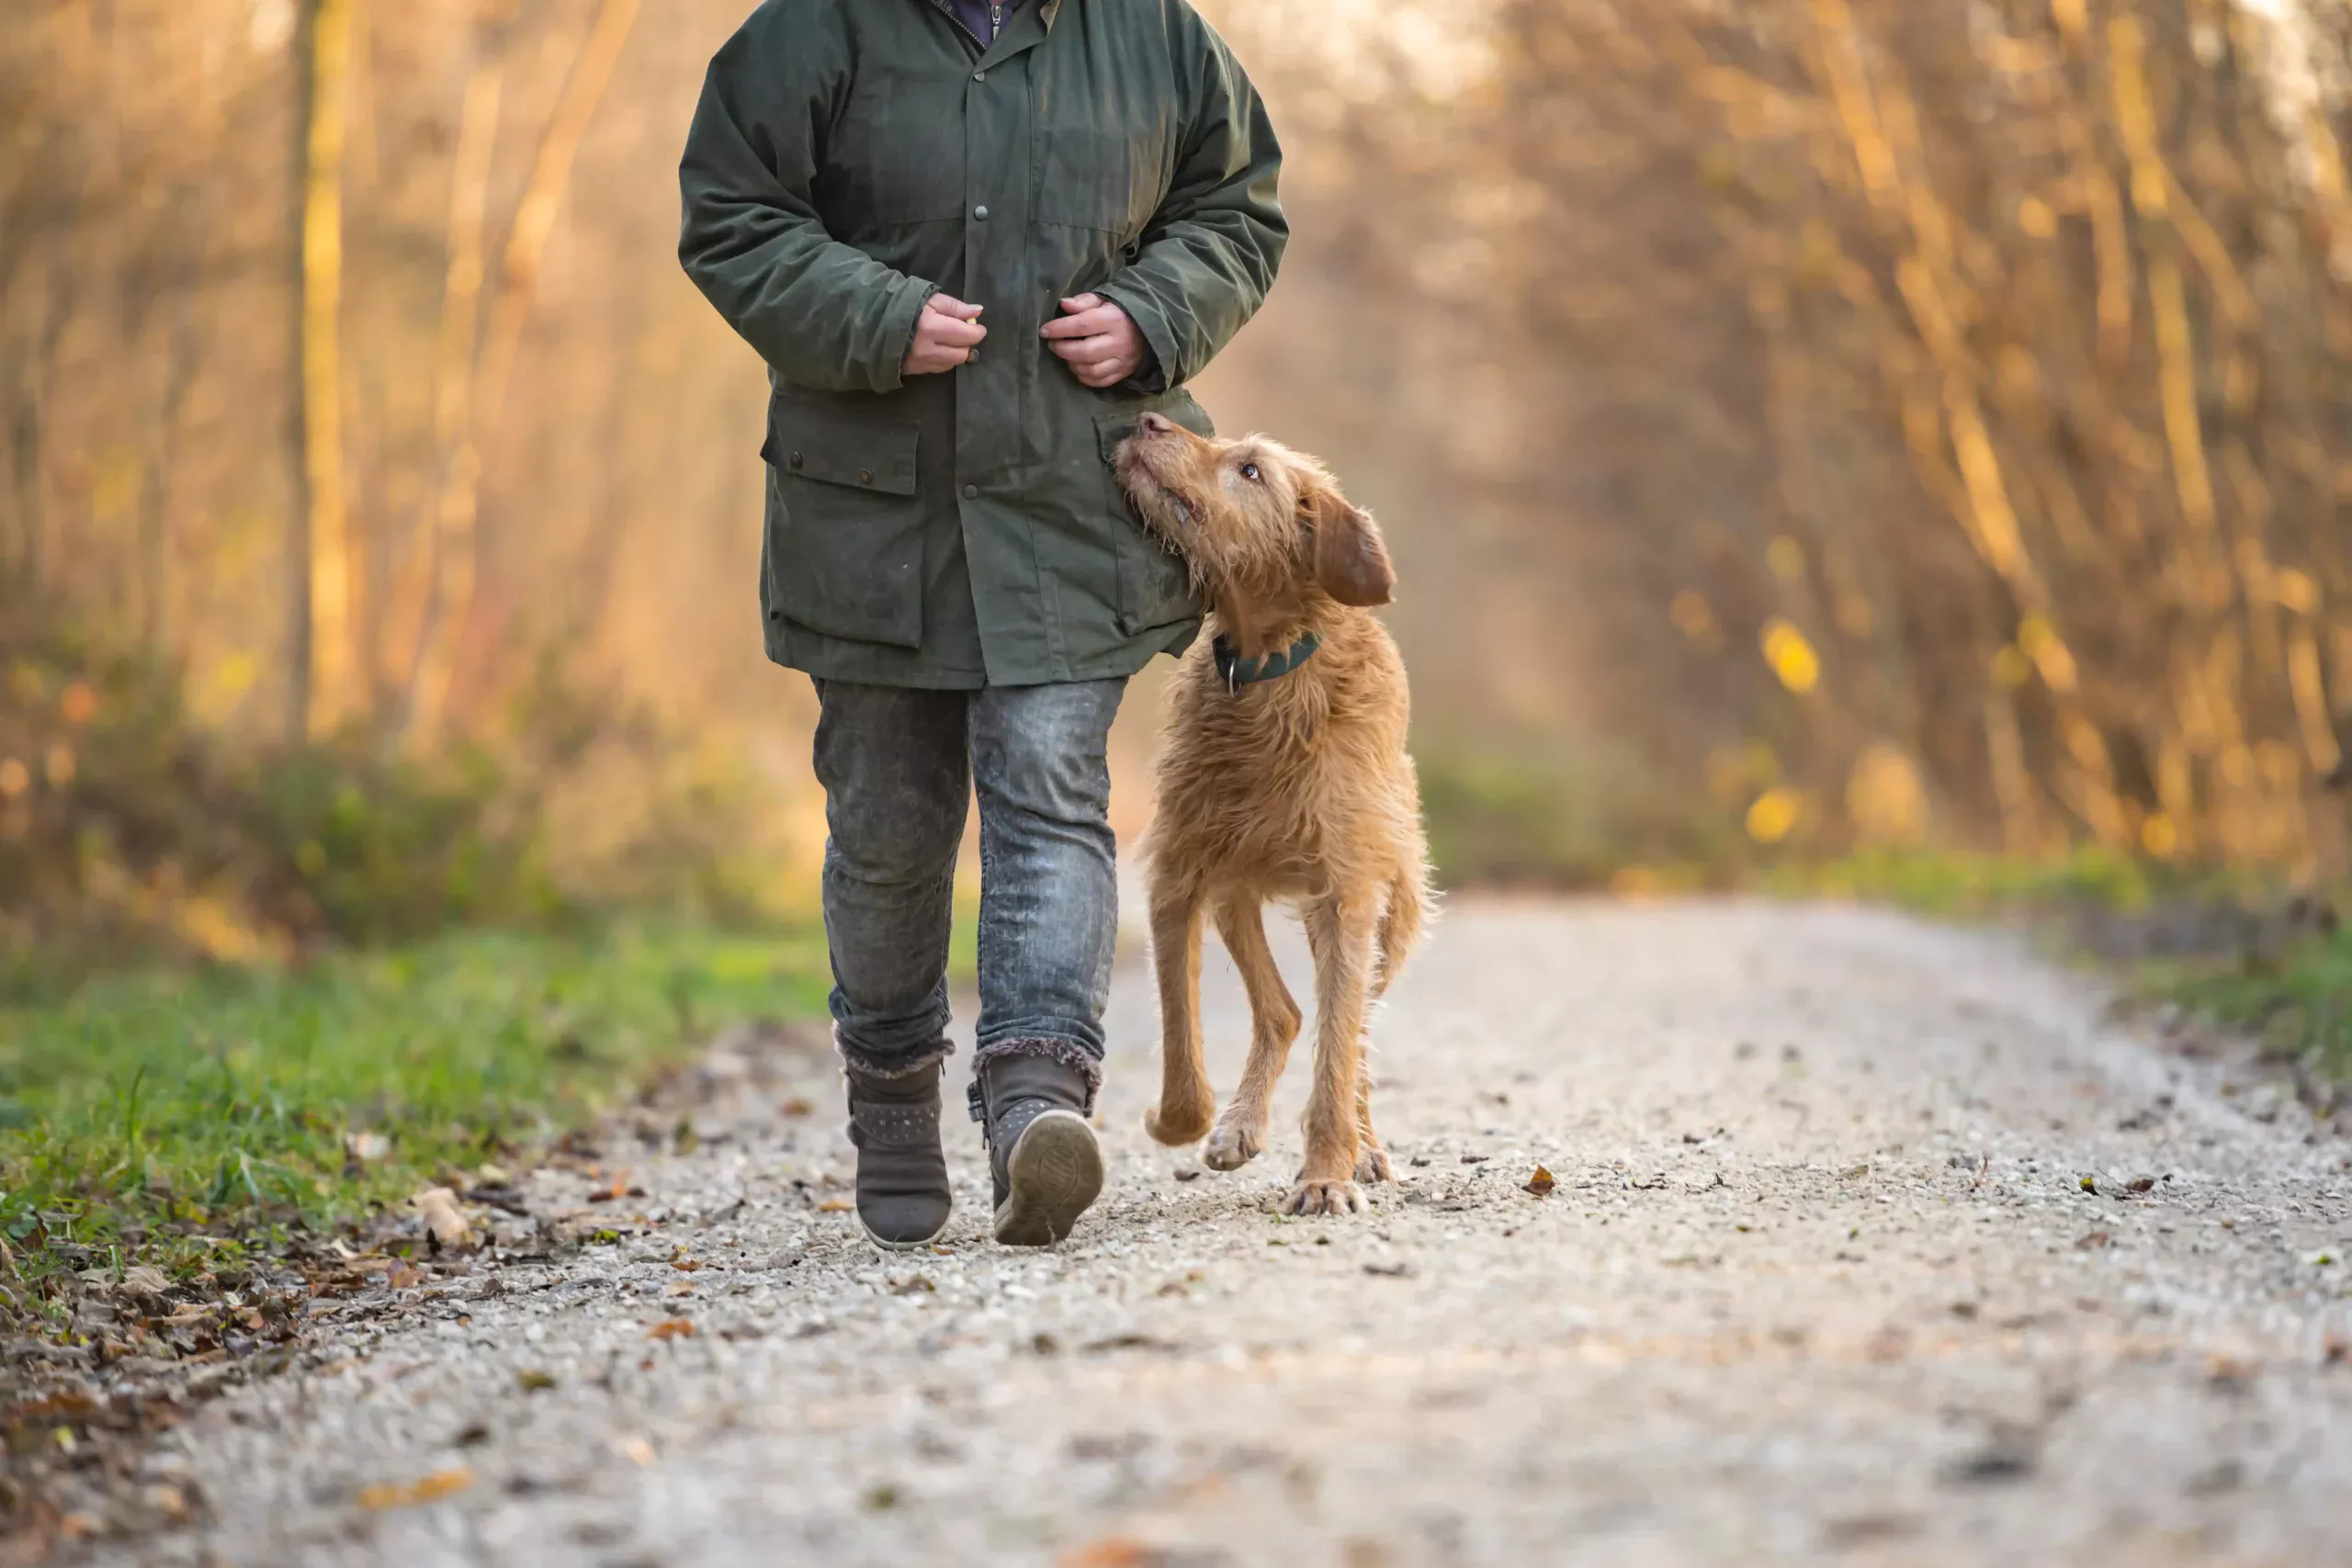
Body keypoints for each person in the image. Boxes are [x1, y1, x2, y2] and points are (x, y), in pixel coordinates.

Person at [678, 0, 1285, 1248]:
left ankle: (1037, 1105)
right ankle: (893, 1101)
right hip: (872, 515)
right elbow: (732, 214)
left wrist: (1153, 314)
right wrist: (874, 313)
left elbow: (1237, 209)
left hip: (1075, 497)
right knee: (889, 827)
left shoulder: (1156, 35)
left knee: (1051, 788)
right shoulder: (814, 30)